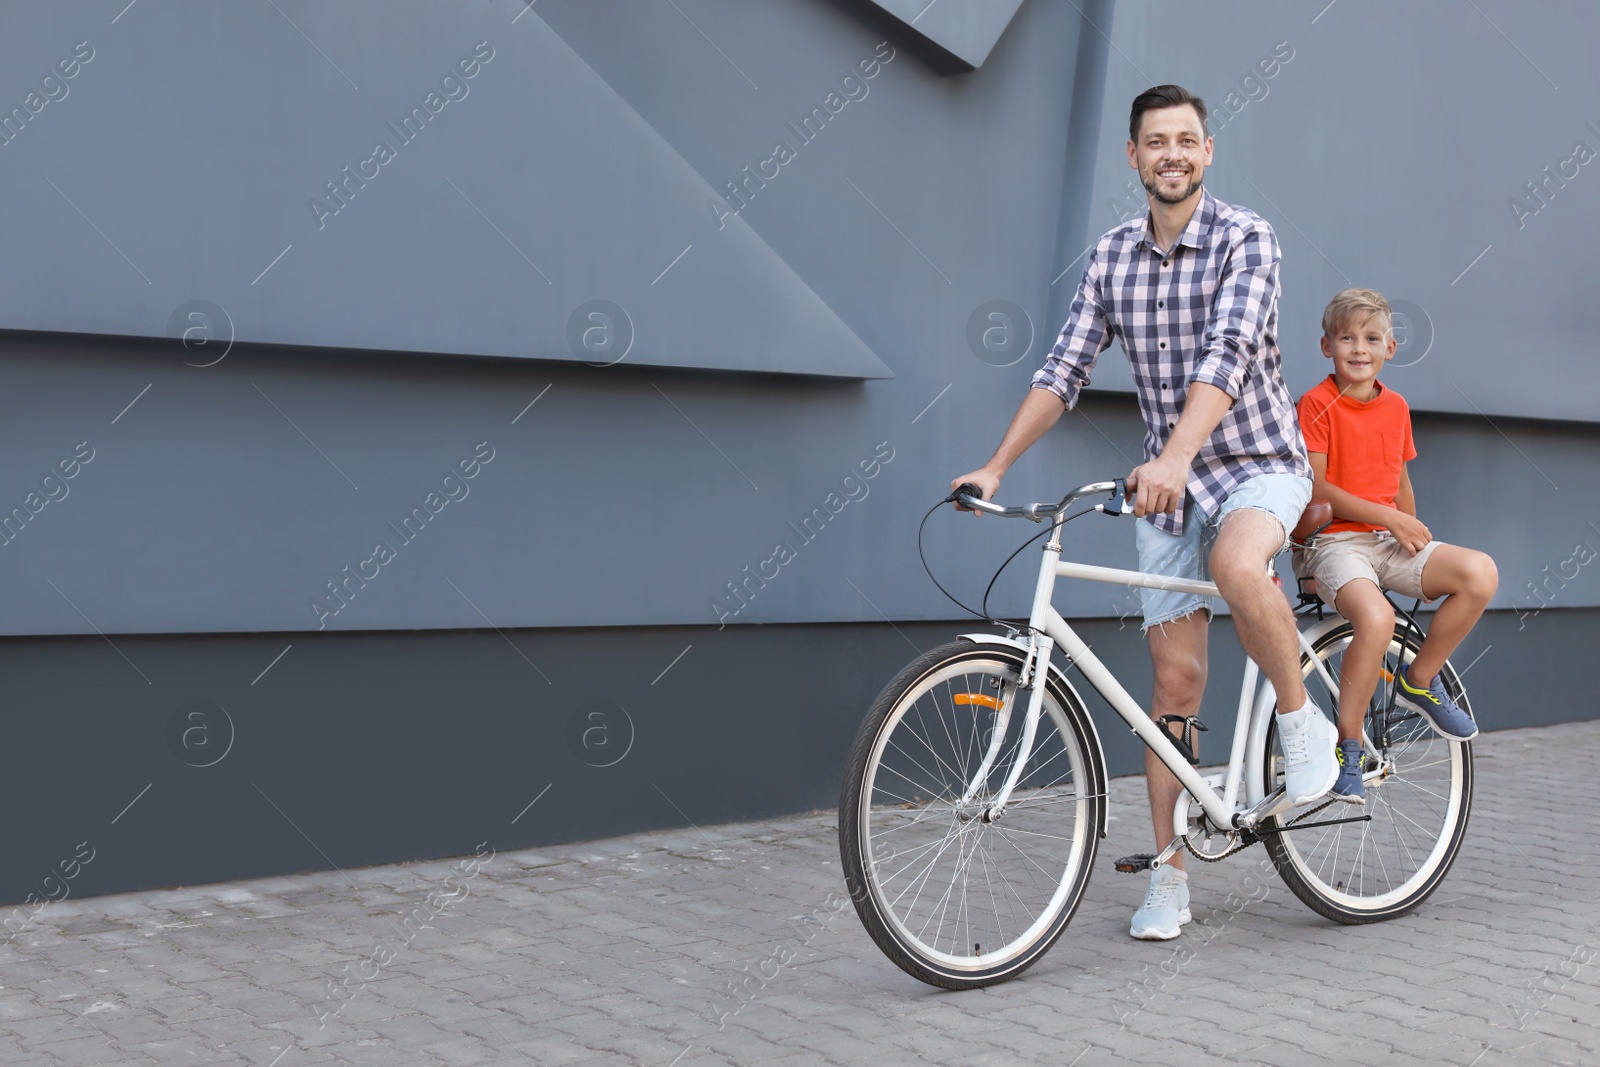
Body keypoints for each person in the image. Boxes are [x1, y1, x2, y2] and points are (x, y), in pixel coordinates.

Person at [952, 84, 1338, 942]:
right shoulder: (1112, 257)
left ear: (1208, 154)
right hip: (1168, 490)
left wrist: (1173, 455)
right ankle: (1167, 873)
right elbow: (1063, 370)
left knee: (1241, 567)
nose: (1172, 153)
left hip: (1257, 467)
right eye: (1155, 141)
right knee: (1174, 684)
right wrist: (995, 464)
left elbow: (1229, 353)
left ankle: (1300, 720)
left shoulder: (1247, 237)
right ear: (1133, 156)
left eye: (1187, 140)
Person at [1294, 288, 1498, 802]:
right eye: (1346, 338)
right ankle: (1348, 747)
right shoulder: (1317, 403)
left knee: (1479, 574)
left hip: (1385, 541)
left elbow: (1398, 478)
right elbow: (1317, 488)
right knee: (1378, 620)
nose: (1359, 349)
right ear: (1326, 347)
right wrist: (1389, 516)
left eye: (1371, 338)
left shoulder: (1398, 407)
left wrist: (1411, 530)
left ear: (1391, 348)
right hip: (1332, 544)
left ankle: (1417, 680)